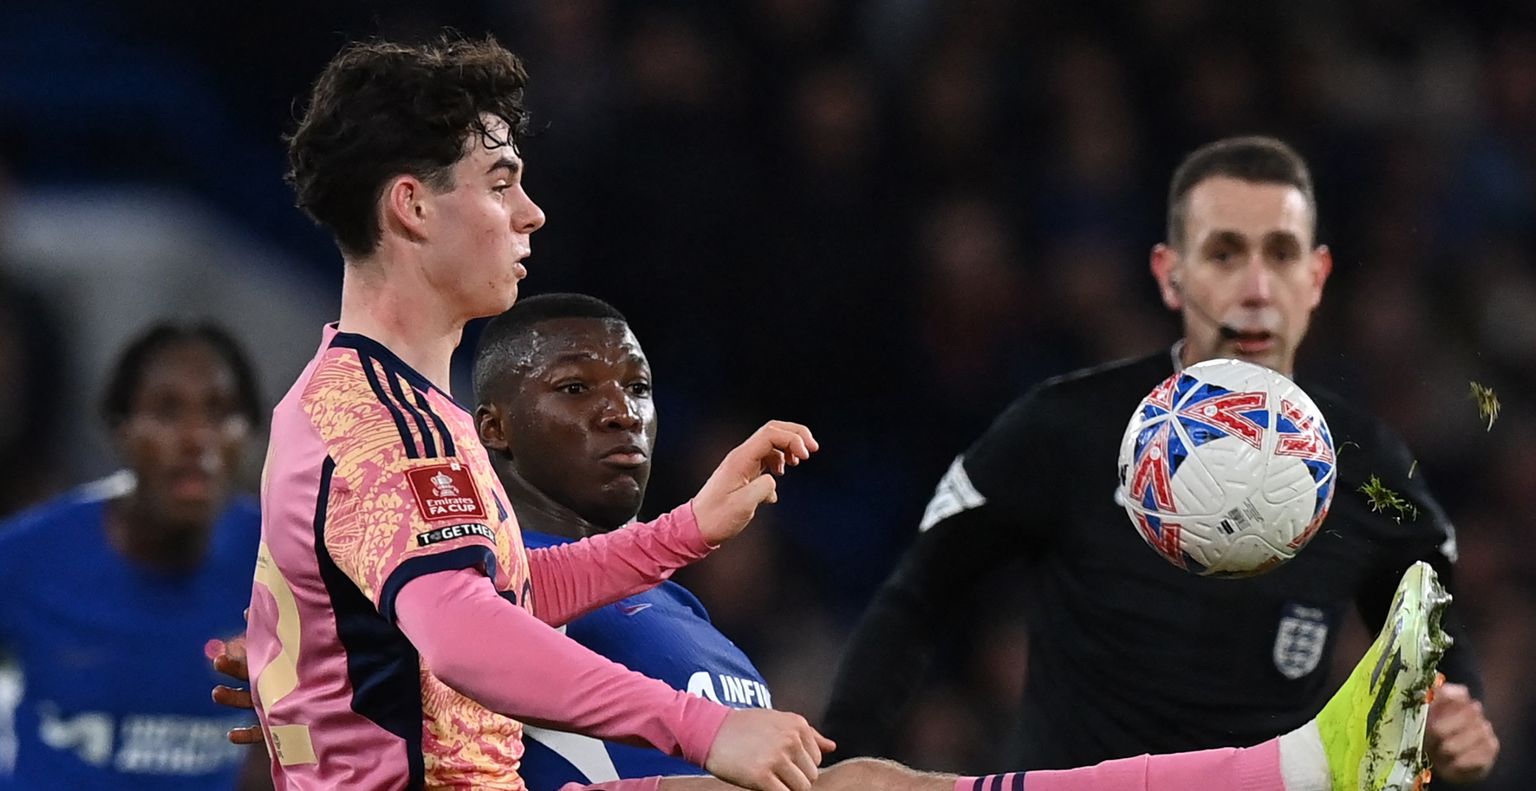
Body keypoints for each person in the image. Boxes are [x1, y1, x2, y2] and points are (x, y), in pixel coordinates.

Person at [219, 292, 1453, 791]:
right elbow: (392, 665)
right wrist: (314, 687)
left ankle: (1296, 765)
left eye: (638, 385)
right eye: (575, 387)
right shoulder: (463, 593)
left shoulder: (680, 618)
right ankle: (1293, 768)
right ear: (486, 426)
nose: (621, 409)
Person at [245, 34, 830, 791]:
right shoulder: (386, 425)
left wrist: (684, 532)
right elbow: (464, 634)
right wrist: (705, 726)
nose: (532, 213)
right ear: (413, 206)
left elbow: (498, 591)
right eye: (501, 184)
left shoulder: (370, 400)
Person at [822, 136, 1501, 785]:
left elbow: (1435, 638)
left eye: (1281, 254)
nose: (1257, 288)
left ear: (1316, 277)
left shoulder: (1370, 466)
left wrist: (1453, 724)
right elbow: (917, 596)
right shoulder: (1065, 426)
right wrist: (839, 762)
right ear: (1170, 276)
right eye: (1224, 254)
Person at [0, 321, 267, 790]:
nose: (195, 438)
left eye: (220, 412)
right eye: (167, 411)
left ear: (248, 434)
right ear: (121, 428)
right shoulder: (28, 557)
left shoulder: (284, 564)